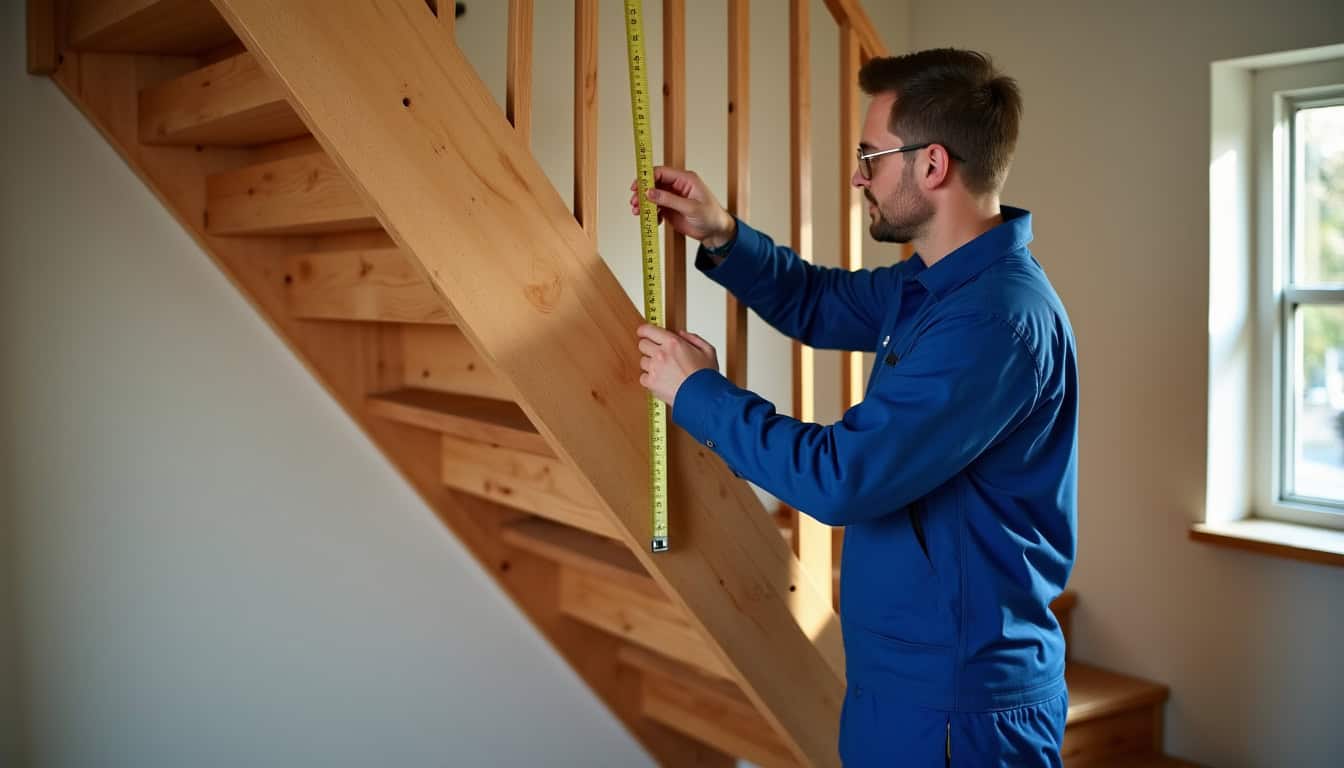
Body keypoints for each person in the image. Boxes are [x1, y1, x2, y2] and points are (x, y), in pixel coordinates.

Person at [632, 48, 1078, 766]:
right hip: (905, 688)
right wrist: (721, 232)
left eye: (870, 157)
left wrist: (700, 395)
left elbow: (843, 477)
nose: (856, 175)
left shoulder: (991, 321)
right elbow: (820, 300)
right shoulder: (935, 286)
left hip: (956, 711)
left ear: (932, 166)